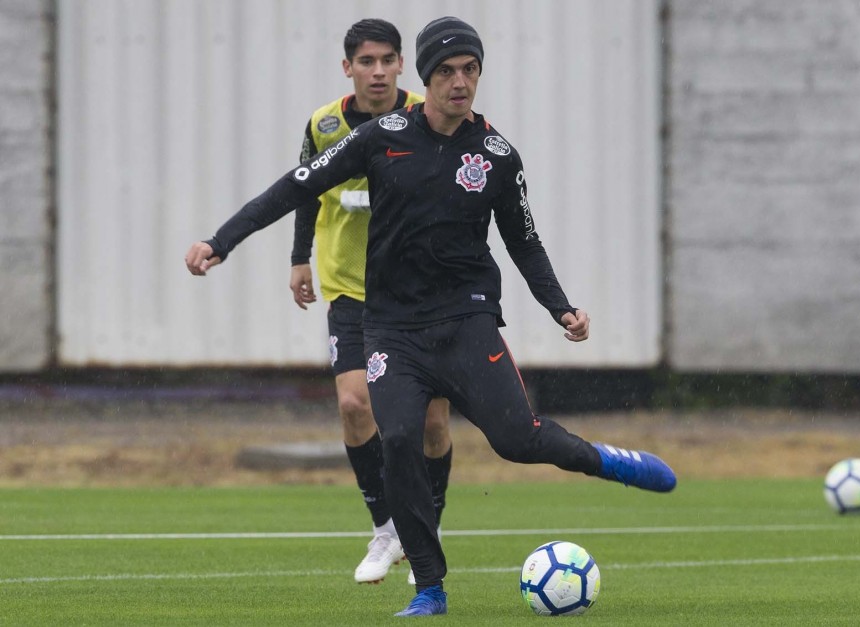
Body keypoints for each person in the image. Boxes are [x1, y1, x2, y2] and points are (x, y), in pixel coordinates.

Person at [185, 16, 676, 617]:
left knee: (518, 442)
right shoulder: (382, 138)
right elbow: (293, 187)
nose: (459, 82)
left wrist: (561, 308)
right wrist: (222, 241)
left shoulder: (498, 154)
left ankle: (607, 461)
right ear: (426, 78)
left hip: (467, 321)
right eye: (446, 71)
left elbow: (523, 240)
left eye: (470, 70)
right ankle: (430, 587)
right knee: (397, 439)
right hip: (391, 327)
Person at [188, 18, 454, 586]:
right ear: (348, 67)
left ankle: (425, 533)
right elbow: (305, 188)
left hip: (416, 295)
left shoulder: (423, 117)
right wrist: (297, 257)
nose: (377, 71)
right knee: (355, 406)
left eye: (387, 60)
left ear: (402, 64)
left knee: (432, 418)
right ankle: (386, 527)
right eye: (366, 61)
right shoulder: (325, 124)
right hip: (349, 290)